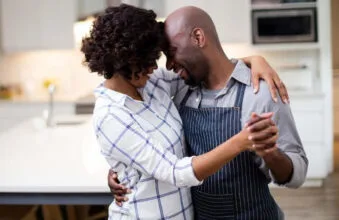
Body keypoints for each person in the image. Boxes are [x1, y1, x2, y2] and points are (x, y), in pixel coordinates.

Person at [81, 4, 287, 220]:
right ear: (127, 60)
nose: (155, 67)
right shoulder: (111, 116)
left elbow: (203, 68)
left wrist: (254, 60)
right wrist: (242, 141)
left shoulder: (152, 84)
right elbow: (175, 172)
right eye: (149, 60)